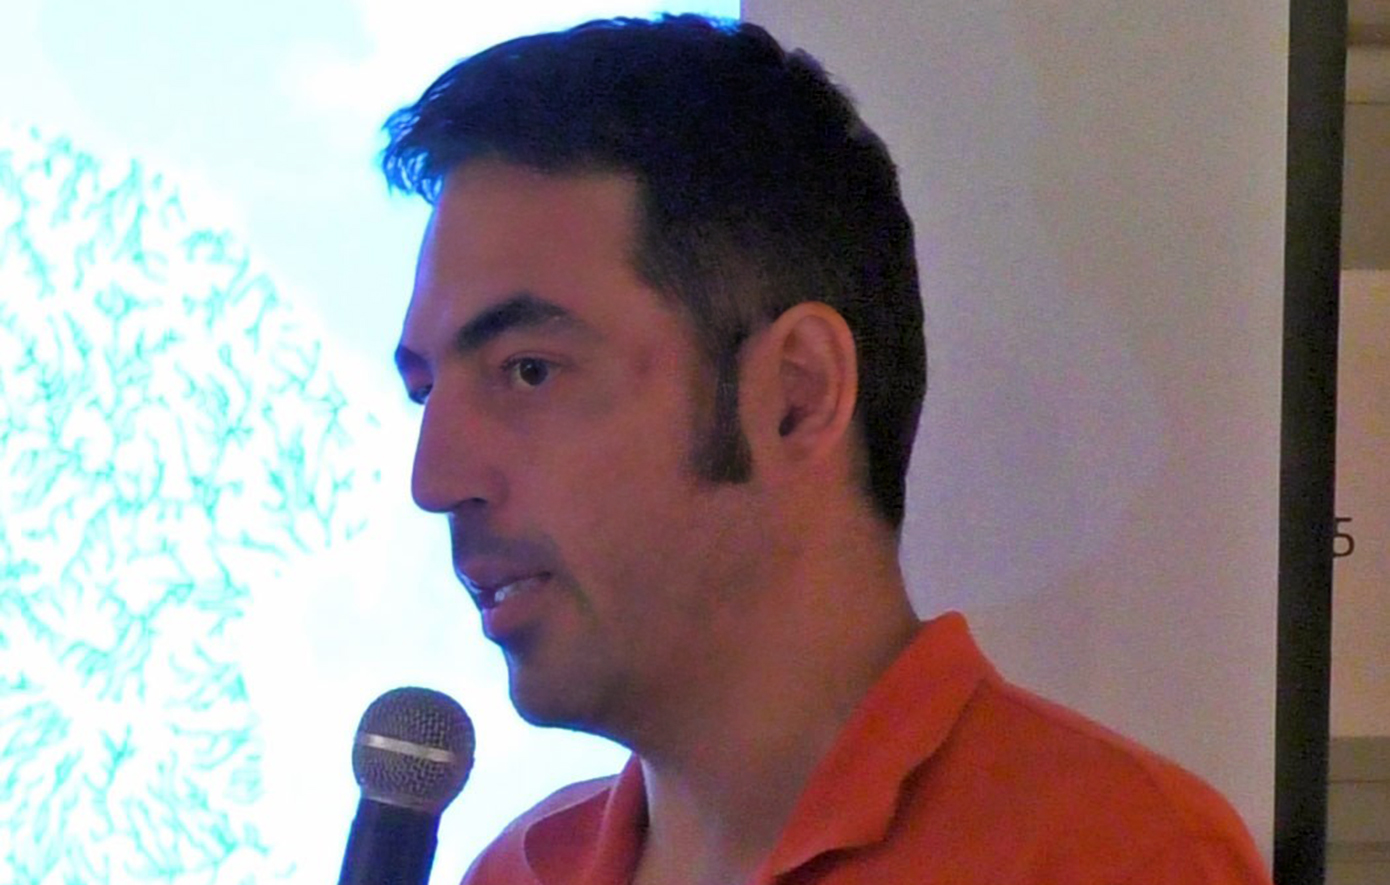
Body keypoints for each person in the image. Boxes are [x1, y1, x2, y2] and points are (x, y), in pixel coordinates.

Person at [383, 14, 1273, 885]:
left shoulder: (1116, 858)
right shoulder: (516, 869)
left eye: (529, 371)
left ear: (795, 395)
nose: (435, 480)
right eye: (425, 392)